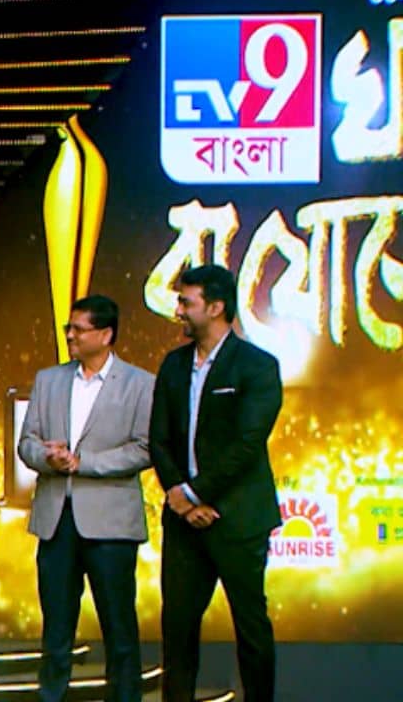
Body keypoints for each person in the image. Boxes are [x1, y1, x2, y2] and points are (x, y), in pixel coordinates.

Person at [150, 265, 282, 702]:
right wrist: (180, 496)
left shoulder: (257, 366)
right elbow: (158, 438)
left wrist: (195, 493)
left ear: (216, 307)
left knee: (251, 627)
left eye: (186, 302)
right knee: (178, 629)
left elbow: (247, 445)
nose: (178, 311)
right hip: (183, 521)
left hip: (238, 517)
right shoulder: (173, 365)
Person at [18, 295, 154, 702]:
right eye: (69, 328)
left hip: (110, 524)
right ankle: (52, 695)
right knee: (56, 626)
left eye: (78, 329)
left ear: (106, 334)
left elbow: (145, 448)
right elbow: (27, 442)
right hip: (56, 521)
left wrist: (84, 463)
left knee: (119, 625)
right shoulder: (49, 380)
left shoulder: (140, 384)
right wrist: (47, 457)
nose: (70, 336)